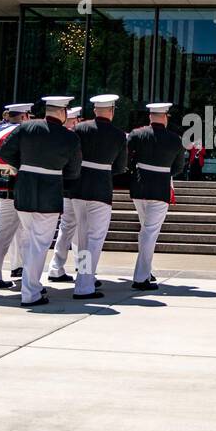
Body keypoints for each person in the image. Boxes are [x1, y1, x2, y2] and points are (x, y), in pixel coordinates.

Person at [0, 96, 82, 305]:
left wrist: (24, 165)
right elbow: (73, 171)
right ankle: (30, 292)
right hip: (49, 193)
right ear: (62, 113)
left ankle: (31, 285)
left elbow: (5, 152)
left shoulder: (26, 128)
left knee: (29, 241)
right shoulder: (69, 137)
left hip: (24, 190)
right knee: (39, 244)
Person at [67, 94, 128, 298]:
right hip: (101, 188)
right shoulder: (119, 135)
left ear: (95, 110)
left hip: (78, 187)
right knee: (95, 238)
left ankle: (84, 278)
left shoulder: (79, 129)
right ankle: (85, 284)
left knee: (83, 238)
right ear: (111, 111)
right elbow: (120, 167)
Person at [126, 102, 185, 291]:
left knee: (145, 230)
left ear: (150, 116)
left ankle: (146, 270)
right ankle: (141, 277)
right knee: (149, 233)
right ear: (165, 117)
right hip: (159, 189)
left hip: (139, 187)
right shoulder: (175, 139)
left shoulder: (137, 134)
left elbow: (128, 159)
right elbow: (178, 167)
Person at [0, 103, 33, 288]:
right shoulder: (20, 134)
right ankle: (0, 274)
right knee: (22, 235)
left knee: (4, 234)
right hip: (15, 190)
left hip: (3, 190)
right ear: (24, 116)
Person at [47, 105, 85, 283]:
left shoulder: (62, 135)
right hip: (78, 188)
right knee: (83, 231)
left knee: (68, 229)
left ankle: (57, 267)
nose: (76, 123)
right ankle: (84, 272)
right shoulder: (70, 136)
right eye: (74, 120)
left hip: (67, 189)